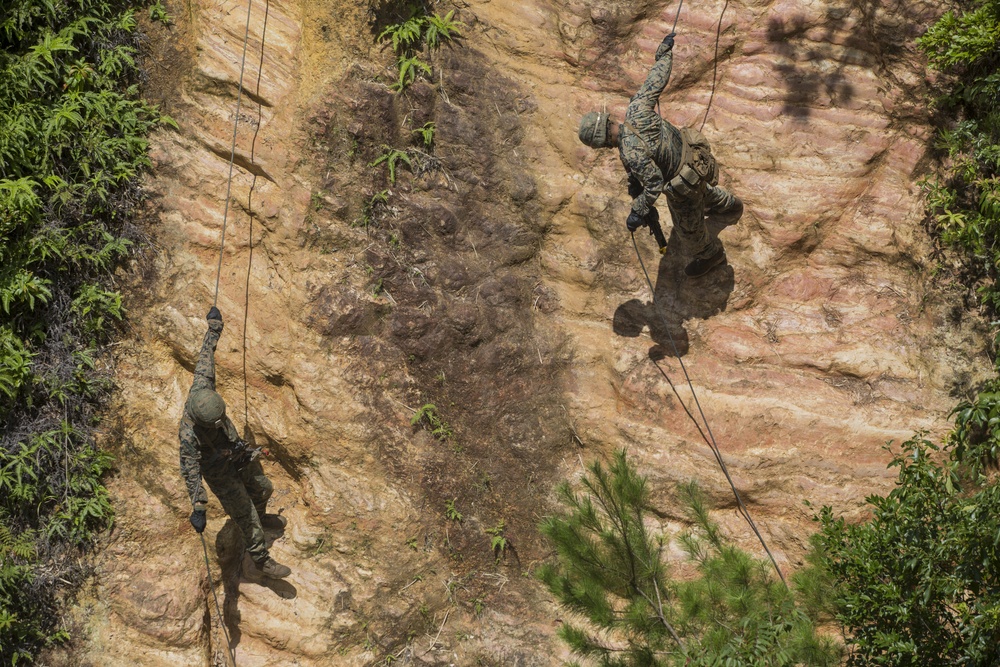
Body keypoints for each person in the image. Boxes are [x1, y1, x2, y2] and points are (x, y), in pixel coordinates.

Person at [578, 32, 743, 277]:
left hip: (684, 183)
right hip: (696, 159)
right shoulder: (636, 109)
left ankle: (711, 256)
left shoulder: (631, 153)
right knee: (703, 192)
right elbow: (658, 77)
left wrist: (638, 211)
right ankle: (729, 205)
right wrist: (663, 53)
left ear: (602, 143)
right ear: (609, 121)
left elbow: (654, 184)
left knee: (688, 230)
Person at [179, 306, 291, 579]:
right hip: (219, 472)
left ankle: (261, 517)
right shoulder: (188, 435)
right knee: (245, 515)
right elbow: (190, 471)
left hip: (235, 452)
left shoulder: (202, 387)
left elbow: (206, 356)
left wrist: (214, 327)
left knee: (263, 488)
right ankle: (261, 559)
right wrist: (199, 507)